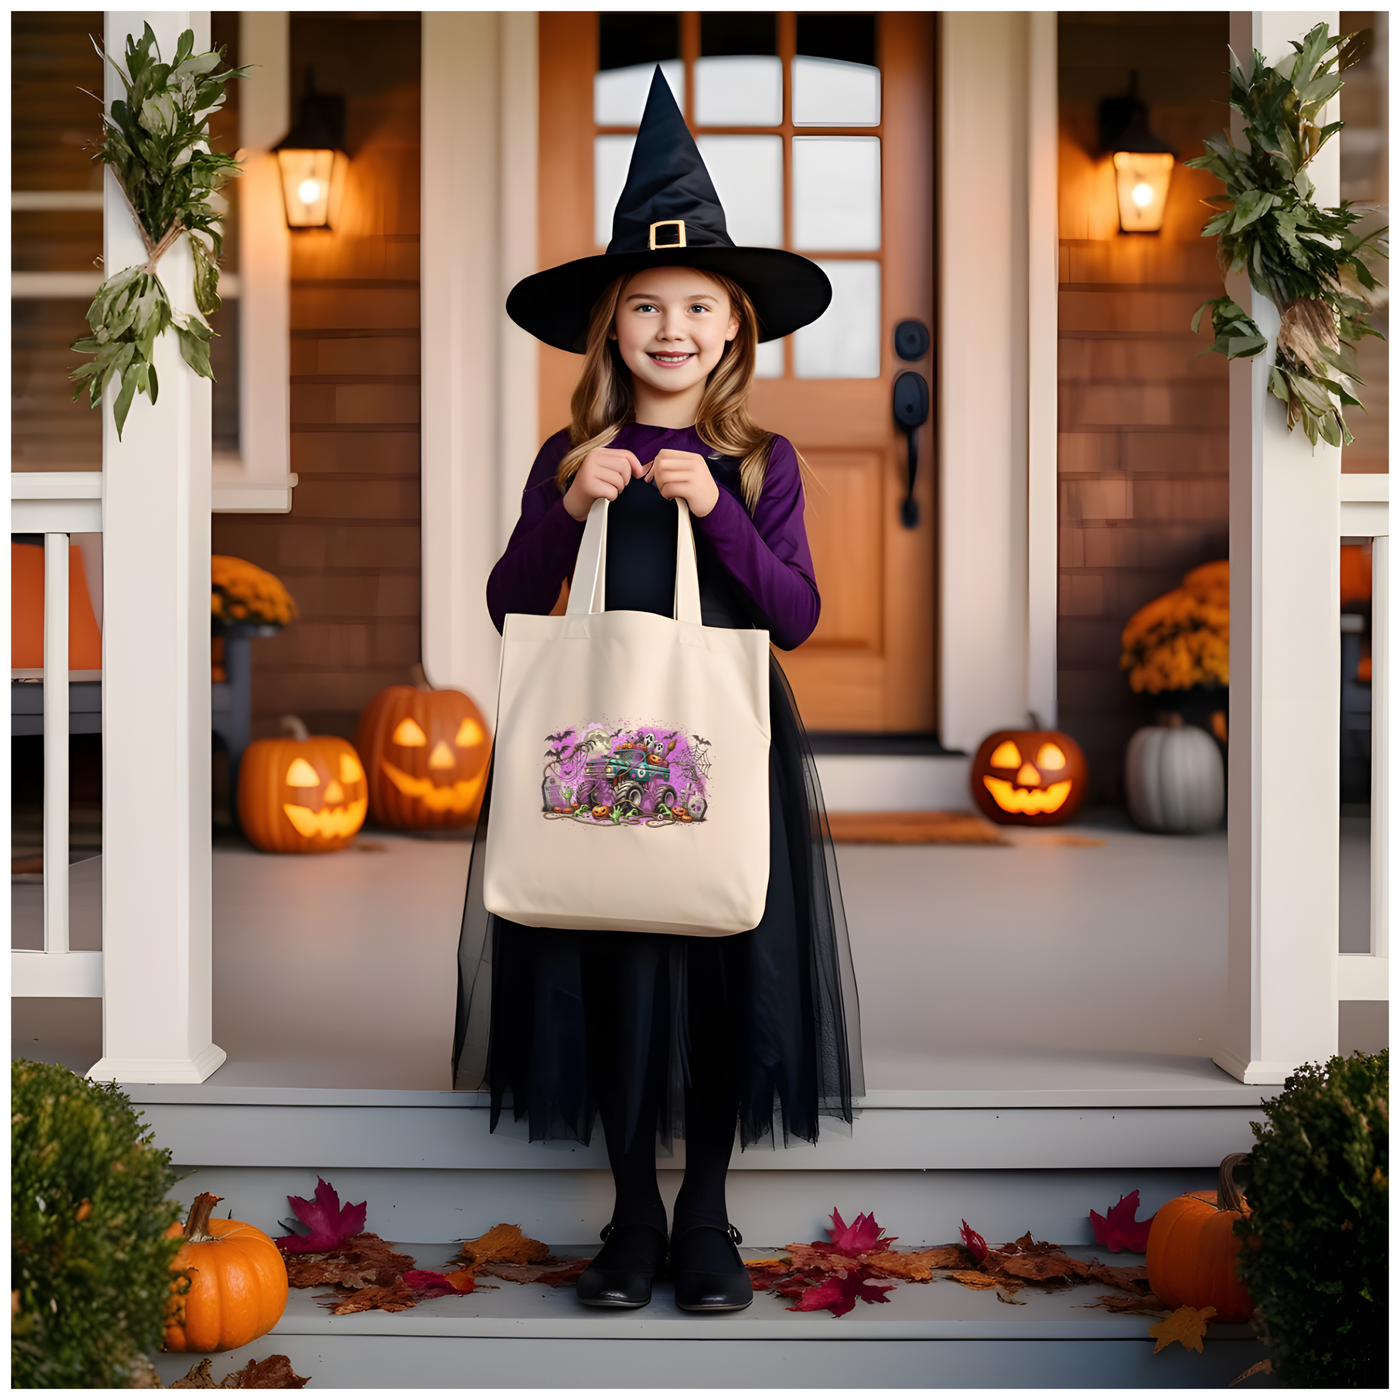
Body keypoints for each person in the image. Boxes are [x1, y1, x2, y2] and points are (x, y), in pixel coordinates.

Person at [453, 70, 862, 1313]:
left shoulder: (759, 460)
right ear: (610, 329)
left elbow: (791, 613)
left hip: (725, 743)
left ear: (734, 326)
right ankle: (630, 1209)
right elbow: (510, 606)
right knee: (614, 962)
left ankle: (707, 1215)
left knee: (726, 967)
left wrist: (722, 517)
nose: (671, 328)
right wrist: (575, 501)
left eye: (696, 306)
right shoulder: (570, 459)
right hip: (596, 737)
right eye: (645, 307)